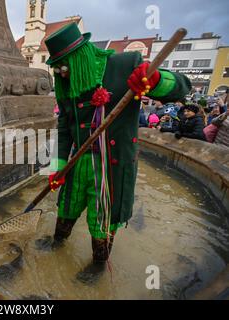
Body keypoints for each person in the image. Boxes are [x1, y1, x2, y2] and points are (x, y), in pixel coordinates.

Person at [39, 23, 191, 282]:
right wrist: (58, 167)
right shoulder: (66, 84)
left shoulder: (124, 64)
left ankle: (98, 264)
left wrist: (155, 81)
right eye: (56, 68)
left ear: (79, 58)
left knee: (103, 220)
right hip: (78, 164)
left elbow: (182, 87)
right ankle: (58, 242)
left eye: (63, 66)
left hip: (111, 166)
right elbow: (65, 128)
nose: (60, 73)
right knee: (67, 206)